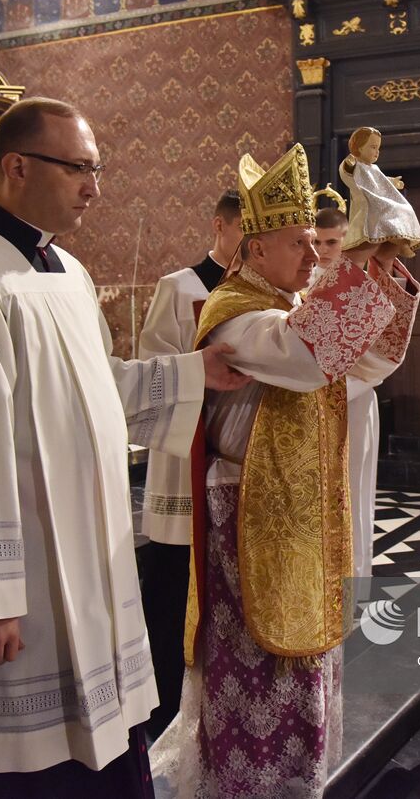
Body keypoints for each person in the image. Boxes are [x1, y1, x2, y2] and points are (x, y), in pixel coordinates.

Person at [0, 97, 250, 796]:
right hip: (20, 586)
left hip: (89, 565)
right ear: (17, 167)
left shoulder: (69, 272)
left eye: (97, 169)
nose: (94, 187)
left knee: (103, 749)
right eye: (79, 168)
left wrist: (190, 373)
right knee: (24, 769)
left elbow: (94, 394)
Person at [153, 143, 418, 798]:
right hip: (244, 516)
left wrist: (379, 273)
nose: (312, 254)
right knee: (254, 668)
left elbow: (364, 365)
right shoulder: (236, 312)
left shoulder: (288, 307)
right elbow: (304, 352)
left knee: (299, 667)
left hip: (294, 513)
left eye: (315, 242)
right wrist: (353, 266)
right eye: (298, 242)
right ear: (255, 247)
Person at [136, 190, 242, 738]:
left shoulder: (264, 294)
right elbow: (152, 362)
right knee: (174, 577)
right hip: (186, 454)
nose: (251, 242)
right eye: (243, 229)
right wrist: (197, 374)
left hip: (237, 459)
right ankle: (162, 695)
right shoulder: (181, 288)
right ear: (218, 225)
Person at [309, 205, 409, 589]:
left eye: (332, 241)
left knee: (354, 493)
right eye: (315, 241)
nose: (322, 250)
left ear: (348, 239)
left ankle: (352, 584)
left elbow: (378, 350)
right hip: (314, 403)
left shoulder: (365, 285)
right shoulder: (303, 286)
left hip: (354, 399)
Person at [338, 126, 420, 257]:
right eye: (373, 147)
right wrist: (349, 162)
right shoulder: (355, 165)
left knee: (404, 208)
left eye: (378, 148)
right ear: (359, 147)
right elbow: (346, 171)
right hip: (367, 200)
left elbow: (381, 181)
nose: (377, 152)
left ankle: (403, 240)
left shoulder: (374, 168)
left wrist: (394, 182)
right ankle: (401, 242)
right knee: (387, 207)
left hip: (378, 198)